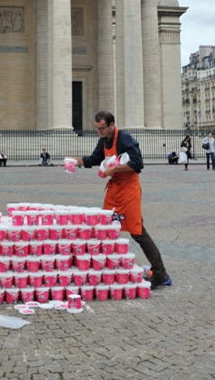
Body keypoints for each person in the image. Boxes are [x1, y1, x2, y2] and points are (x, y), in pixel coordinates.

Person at [70, 110, 172, 289]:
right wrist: (75, 161)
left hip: (128, 191)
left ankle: (161, 274)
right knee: (107, 225)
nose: (99, 132)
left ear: (111, 125)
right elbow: (95, 158)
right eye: (97, 129)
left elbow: (138, 163)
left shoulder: (125, 139)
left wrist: (114, 170)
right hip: (114, 191)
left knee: (137, 231)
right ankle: (107, 268)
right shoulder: (104, 140)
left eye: (102, 129)